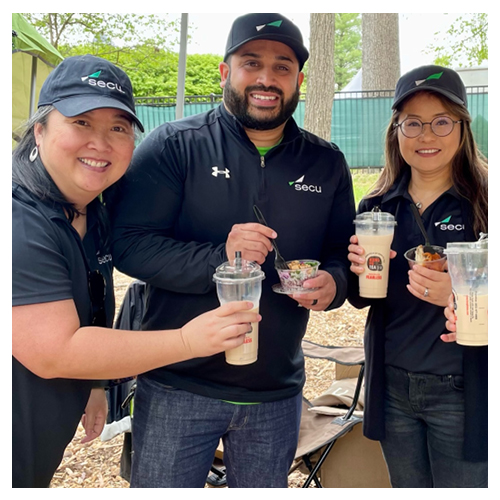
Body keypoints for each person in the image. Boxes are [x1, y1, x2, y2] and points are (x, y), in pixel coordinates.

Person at [109, 13, 355, 488]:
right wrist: (220, 257)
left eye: (282, 67)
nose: (266, 78)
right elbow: (129, 245)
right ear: (226, 72)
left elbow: (340, 256)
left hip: (276, 394)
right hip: (177, 385)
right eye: (251, 63)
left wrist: (334, 283)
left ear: (299, 79)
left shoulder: (325, 162)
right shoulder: (175, 146)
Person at [12, 55, 260, 488]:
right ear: (40, 129)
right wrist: (188, 340)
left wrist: (92, 384)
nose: (101, 143)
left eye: (118, 128)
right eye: (82, 122)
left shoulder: (91, 212)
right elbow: (54, 352)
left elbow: (87, 305)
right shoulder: (19, 222)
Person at [347, 65, 488, 487]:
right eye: (413, 123)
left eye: (441, 122)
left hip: (465, 390)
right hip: (393, 388)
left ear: (462, 128)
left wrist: (461, 292)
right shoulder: (376, 206)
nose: (427, 136)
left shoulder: (484, 200)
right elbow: (361, 298)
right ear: (397, 131)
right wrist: (358, 270)